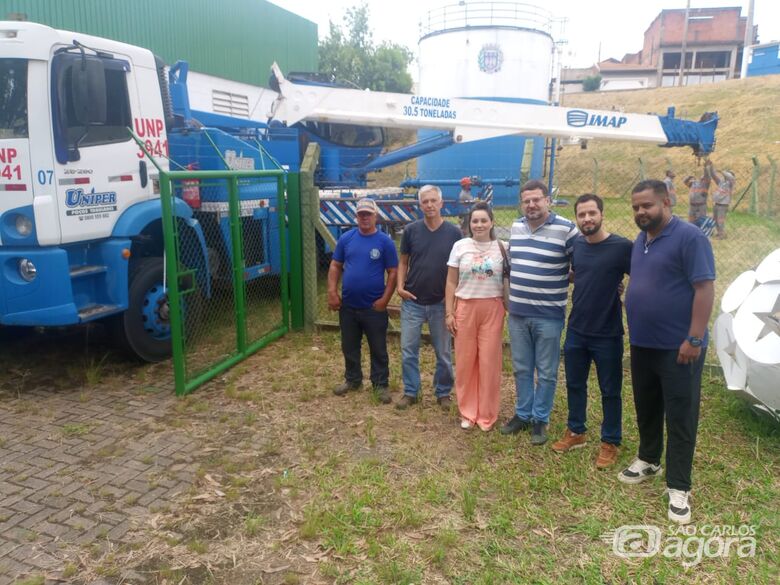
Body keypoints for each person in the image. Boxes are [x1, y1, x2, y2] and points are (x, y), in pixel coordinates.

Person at [621, 179, 715, 525]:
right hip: (643, 342)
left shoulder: (690, 238)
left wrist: (695, 338)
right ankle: (648, 458)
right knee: (646, 404)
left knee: (680, 414)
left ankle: (678, 486)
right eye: (635, 207)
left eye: (646, 205)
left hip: (679, 347)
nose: (640, 212)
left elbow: (704, 288)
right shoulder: (641, 241)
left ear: (666, 201)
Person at [551, 194, 632, 469]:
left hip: (608, 332)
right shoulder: (576, 246)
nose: (587, 219)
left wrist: (623, 292)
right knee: (575, 383)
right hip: (576, 329)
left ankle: (610, 441)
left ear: (601, 214)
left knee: (610, 390)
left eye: (591, 213)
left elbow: (642, 277)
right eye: (582, 215)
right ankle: (576, 431)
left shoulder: (622, 247)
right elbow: (577, 273)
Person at [500, 180, 578, 445]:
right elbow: (513, 265)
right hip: (518, 314)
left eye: (536, 199)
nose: (531, 205)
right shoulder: (516, 227)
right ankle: (522, 414)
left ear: (548, 200)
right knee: (522, 368)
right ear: (521, 203)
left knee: (546, 370)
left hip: (549, 315)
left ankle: (540, 419)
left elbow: (581, 265)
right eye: (526, 201)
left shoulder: (567, 229)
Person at [396, 185, 462, 410]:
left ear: (442, 203)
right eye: (425, 201)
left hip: (440, 303)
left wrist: (452, 303)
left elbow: (458, 269)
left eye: (434, 200)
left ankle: (443, 392)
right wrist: (400, 287)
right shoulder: (411, 231)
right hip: (413, 301)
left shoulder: (454, 234)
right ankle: (411, 391)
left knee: (443, 352)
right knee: (408, 350)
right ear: (420, 205)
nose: (430, 205)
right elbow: (403, 262)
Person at [328, 198, 398, 404]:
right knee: (349, 345)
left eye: (369, 214)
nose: (365, 218)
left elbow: (393, 272)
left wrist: (385, 299)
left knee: (378, 347)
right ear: (356, 217)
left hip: (373, 307)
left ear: (375, 216)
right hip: (348, 306)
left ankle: (380, 384)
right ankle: (353, 380)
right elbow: (335, 266)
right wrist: (332, 291)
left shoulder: (385, 241)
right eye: (361, 214)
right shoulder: (346, 239)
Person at [445, 202, 507, 431]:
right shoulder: (460, 246)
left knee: (489, 362)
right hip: (465, 308)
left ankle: (487, 415)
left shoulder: (503, 247)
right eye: (475, 221)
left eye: (483, 220)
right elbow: (451, 281)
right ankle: (468, 413)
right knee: (465, 362)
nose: (479, 225)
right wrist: (449, 312)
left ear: (491, 222)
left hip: (492, 309)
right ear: (469, 224)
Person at [705, 160, 735, 239]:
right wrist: (711, 166)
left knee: (720, 220)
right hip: (717, 204)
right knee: (715, 219)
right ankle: (718, 233)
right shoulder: (721, 182)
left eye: (728, 173)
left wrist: (722, 171)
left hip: (723, 205)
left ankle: (722, 234)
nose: (726, 175)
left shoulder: (731, 183)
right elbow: (713, 175)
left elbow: (730, 177)